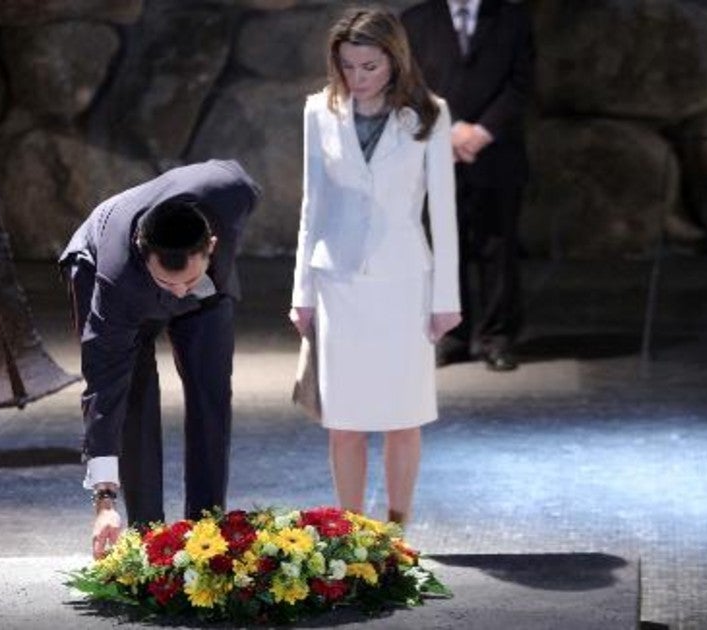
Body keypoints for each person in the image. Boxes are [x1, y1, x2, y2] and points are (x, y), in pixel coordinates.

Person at [289, 7, 460, 526]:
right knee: (344, 422)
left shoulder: (429, 114)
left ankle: (398, 527)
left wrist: (446, 299)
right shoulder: (319, 111)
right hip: (338, 284)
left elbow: (444, 213)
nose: (356, 78)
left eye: (369, 66)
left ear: (394, 61)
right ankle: (352, 531)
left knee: (403, 419)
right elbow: (311, 205)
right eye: (347, 66)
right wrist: (302, 290)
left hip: (405, 283)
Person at [59, 160, 259, 558]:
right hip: (113, 281)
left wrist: (188, 284)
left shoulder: (233, 191)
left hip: (211, 291)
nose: (179, 292)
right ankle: (149, 537)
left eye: (187, 279)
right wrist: (104, 501)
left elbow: (194, 279)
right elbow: (103, 391)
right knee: (135, 398)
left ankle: (206, 531)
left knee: (211, 392)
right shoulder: (115, 283)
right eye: (169, 283)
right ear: (142, 253)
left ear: (213, 246)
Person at [401, 0, 535, 371]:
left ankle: (498, 337)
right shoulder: (416, 20)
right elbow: (409, 85)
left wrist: (481, 132)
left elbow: (521, 84)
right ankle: (451, 335)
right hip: (436, 151)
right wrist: (452, 129)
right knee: (443, 247)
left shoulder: (512, 17)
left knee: (498, 245)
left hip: (497, 151)